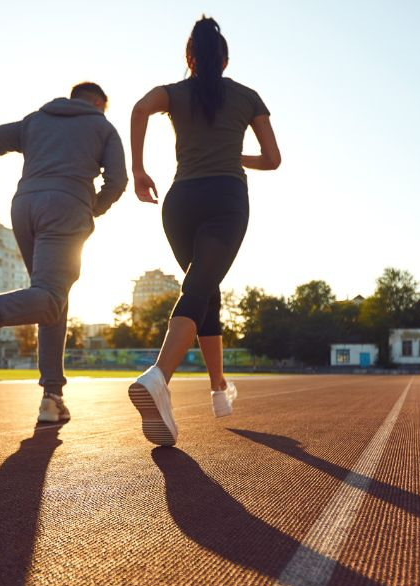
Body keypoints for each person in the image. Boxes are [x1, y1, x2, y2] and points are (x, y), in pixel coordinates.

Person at [126, 16, 281, 446]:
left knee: (204, 288)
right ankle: (160, 377)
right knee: (198, 290)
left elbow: (139, 108)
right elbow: (273, 159)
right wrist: (235, 155)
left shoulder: (173, 93)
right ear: (225, 59)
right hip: (225, 199)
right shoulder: (247, 97)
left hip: (180, 202)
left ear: (189, 57)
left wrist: (138, 171)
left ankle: (218, 390)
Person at [0, 82, 127, 423]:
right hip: (67, 206)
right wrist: (93, 206)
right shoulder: (103, 126)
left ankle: (52, 397)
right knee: (51, 297)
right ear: (99, 103)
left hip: (24, 207)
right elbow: (117, 180)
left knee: (50, 300)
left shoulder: (35, 121)